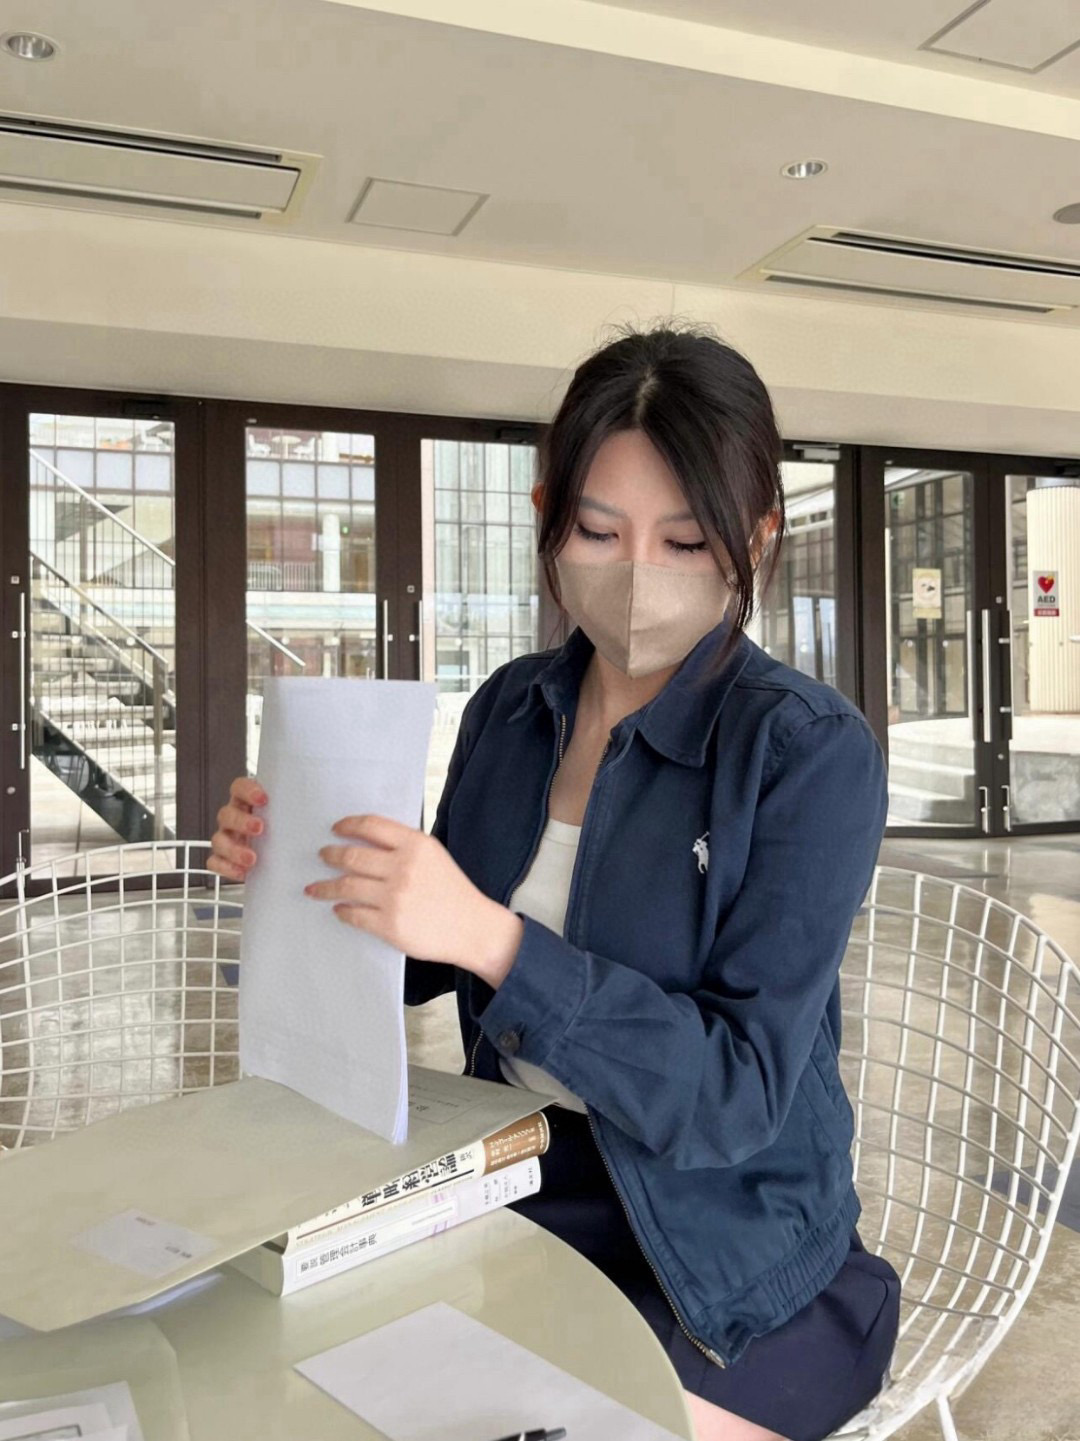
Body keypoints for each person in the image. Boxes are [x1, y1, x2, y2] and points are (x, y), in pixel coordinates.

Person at [210, 324, 901, 1441]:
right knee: (274, 1367)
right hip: (511, 1186)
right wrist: (304, 869)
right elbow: (417, 965)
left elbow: (733, 1095)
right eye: (599, 530)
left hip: (728, 1254)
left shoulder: (806, 750)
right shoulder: (513, 707)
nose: (638, 573)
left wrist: (493, 938)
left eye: (687, 540)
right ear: (547, 514)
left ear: (758, 535)